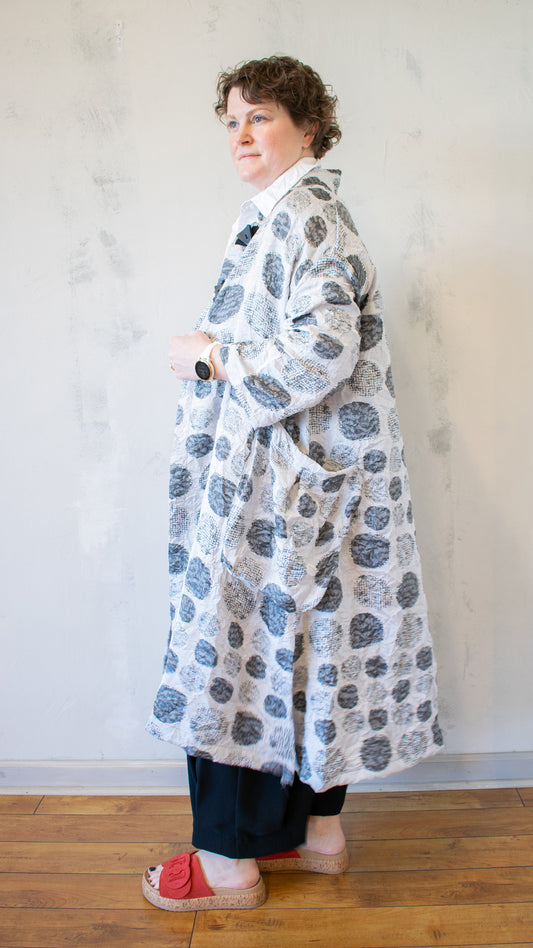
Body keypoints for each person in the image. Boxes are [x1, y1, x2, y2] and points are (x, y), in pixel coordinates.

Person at [143, 55, 442, 912]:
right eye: (231, 120)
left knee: (235, 656)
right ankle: (315, 836)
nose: (240, 135)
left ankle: (226, 866)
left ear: (308, 128)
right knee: (306, 656)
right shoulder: (287, 215)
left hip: (280, 495)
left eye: (260, 116)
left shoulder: (304, 216)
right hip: (301, 489)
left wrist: (210, 357)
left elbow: (321, 350)